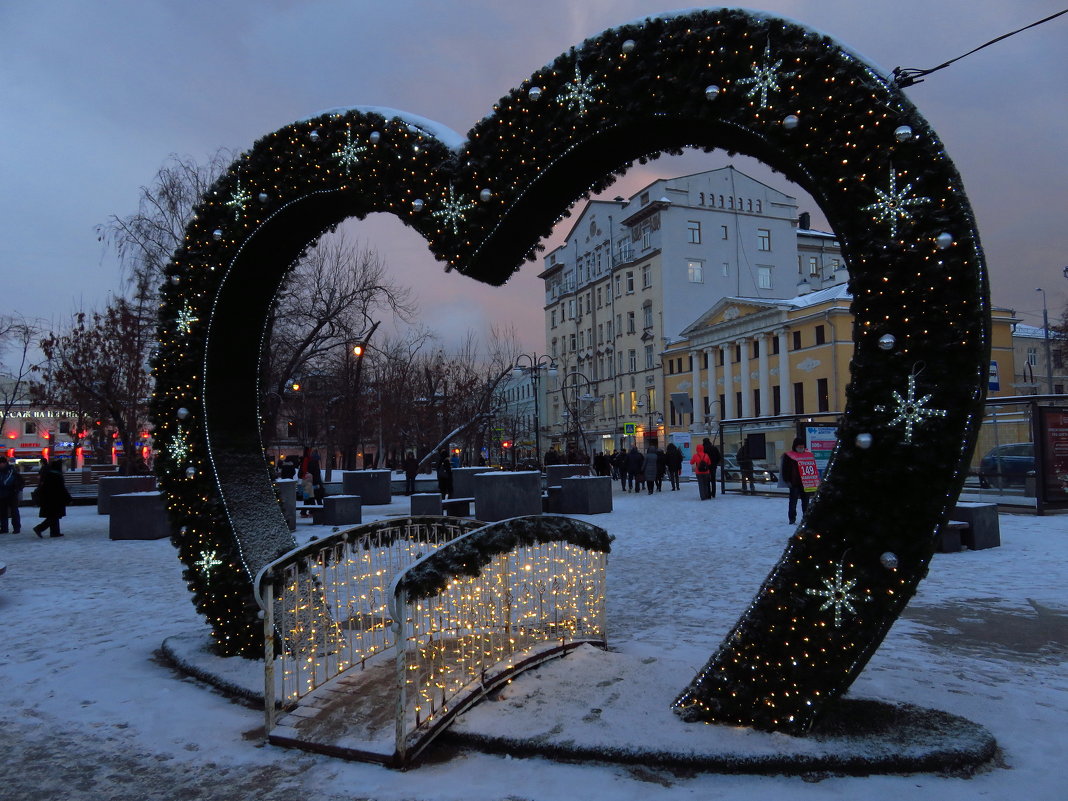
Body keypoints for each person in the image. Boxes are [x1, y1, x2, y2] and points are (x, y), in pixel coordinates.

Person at [781, 437, 820, 525]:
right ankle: (792, 519)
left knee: (806, 502)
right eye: (799, 446)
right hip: (794, 483)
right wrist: (787, 480)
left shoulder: (809, 455)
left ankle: (806, 518)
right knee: (793, 502)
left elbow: (813, 468)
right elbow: (785, 469)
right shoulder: (788, 456)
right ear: (795, 446)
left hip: (806, 482)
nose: (801, 448)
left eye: (802, 446)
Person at [32, 459, 71, 538]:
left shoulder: (50, 474)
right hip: (54, 500)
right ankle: (39, 528)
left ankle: (55, 532)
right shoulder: (56, 475)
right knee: (53, 516)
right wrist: (68, 498)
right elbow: (61, 489)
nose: (64, 468)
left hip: (50, 499)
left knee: (54, 516)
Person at [0, 456, 25, 533]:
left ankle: (16, 528)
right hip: (3, 494)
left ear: (4, 463)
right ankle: (5, 528)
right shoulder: (9, 470)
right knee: (3, 512)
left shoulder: (11, 471)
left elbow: (6, 482)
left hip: (11, 493)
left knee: (13, 511)